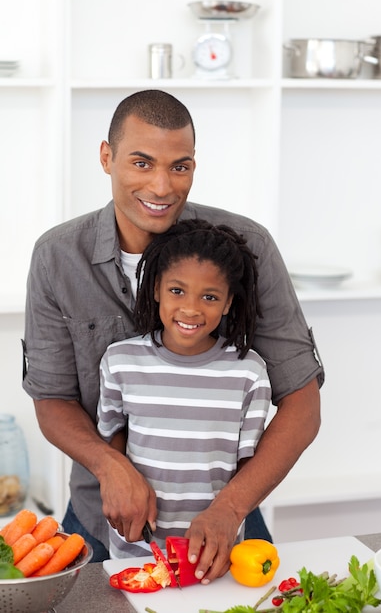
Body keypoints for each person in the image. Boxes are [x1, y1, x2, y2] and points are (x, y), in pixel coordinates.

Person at [22, 89, 323, 582]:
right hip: (99, 523)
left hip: (225, 528)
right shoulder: (58, 257)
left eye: (179, 167)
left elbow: (303, 404)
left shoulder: (248, 247)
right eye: (141, 163)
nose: (161, 186)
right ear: (106, 157)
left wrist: (230, 509)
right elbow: (52, 399)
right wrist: (109, 465)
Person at [97, 218, 272, 559]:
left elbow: (248, 468)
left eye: (209, 296)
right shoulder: (120, 362)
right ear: (156, 289)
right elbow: (112, 441)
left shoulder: (249, 374)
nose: (191, 308)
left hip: (212, 553)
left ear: (227, 303)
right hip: (137, 549)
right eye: (177, 291)